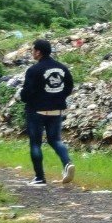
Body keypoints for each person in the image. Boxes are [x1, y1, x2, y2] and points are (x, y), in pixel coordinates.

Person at [19, 38, 75, 186]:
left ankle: (39, 177)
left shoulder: (33, 70)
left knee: (35, 143)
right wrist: (58, 98)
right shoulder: (62, 68)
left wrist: (22, 96)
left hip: (37, 111)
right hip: (56, 110)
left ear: (38, 52)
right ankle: (67, 163)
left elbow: (27, 92)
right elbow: (69, 86)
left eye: (33, 50)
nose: (32, 53)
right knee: (55, 140)